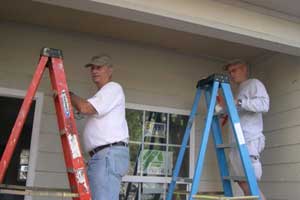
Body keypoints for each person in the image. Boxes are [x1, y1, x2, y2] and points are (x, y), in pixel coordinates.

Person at [69, 54, 129, 200]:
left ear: (109, 70)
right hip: (104, 156)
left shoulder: (113, 88)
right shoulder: (102, 94)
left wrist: (68, 95)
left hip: (107, 155)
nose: (94, 71)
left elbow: (85, 108)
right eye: (93, 68)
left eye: (99, 67)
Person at [223, 59, 269, 200]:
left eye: (234, 70)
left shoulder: (254, 83)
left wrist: (240, 102)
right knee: (243, 183)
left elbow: (264, 104)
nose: (231, 74)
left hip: (249, 140)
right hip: (236, 142)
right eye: (229, 72)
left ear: (244, 70)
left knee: (250, 183)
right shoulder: (239, 90)